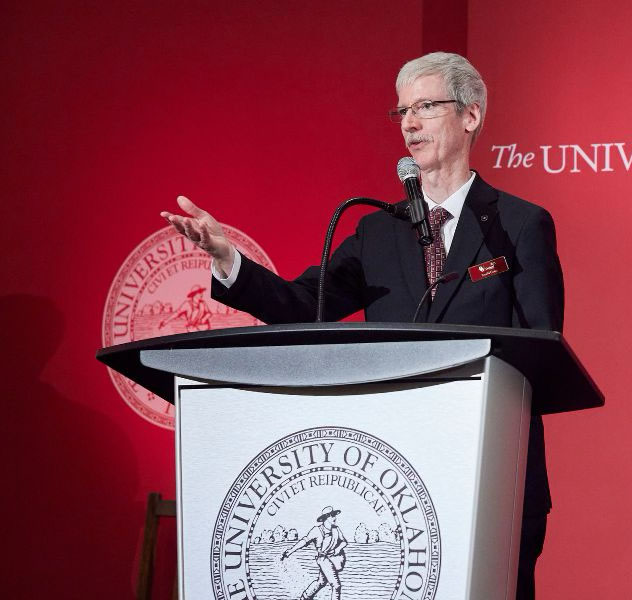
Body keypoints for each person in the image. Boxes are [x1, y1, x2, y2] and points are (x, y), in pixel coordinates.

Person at [161, 52, 563, 599]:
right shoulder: (378, 232)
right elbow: (305, 305)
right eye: (401, 112)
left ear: (471, 116)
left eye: (425, 107)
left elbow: (542, 349)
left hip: (492, 472)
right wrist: (228, 259)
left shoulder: (518, 224)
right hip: (396, 475)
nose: (410, 124)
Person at [281, 506, 348, 600]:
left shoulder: (336, 529)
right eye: (332, 516)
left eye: (334, 515)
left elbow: (344, 542)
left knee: (321, 582)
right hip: (323, 560)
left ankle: (304, 598)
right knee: (336, 586)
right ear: (326, 517)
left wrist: (338, 549)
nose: (335, 518)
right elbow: (304, 541)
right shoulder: (316, 530)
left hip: (334, 559)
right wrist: (291, 551)